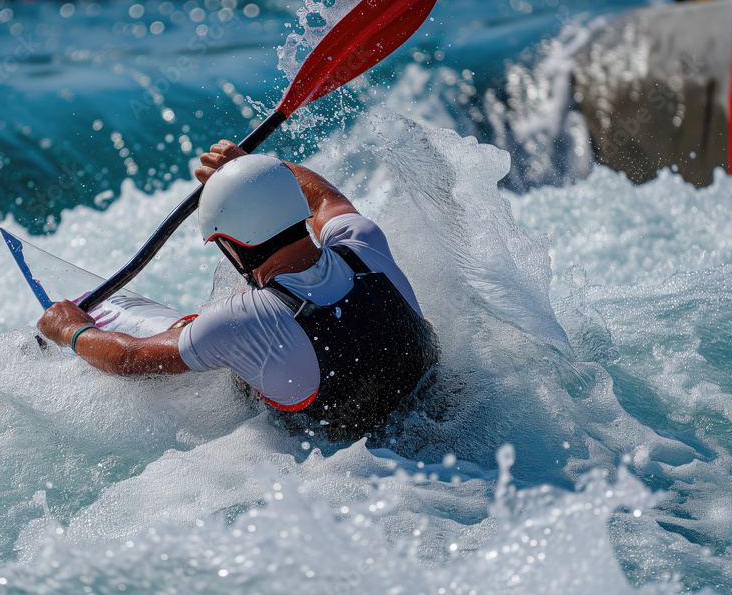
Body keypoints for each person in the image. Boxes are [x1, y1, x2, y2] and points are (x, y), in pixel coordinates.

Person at [37, 140, 437, 440]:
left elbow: (130, 358)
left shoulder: (244, 319)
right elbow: (323, 198)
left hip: (342, 464)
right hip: (437, 412)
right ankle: (192, 336)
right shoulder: (361, 243)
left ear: (234, 245)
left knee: (219, 338)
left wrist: (71, 330)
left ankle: (189, 336)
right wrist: (259, 171)